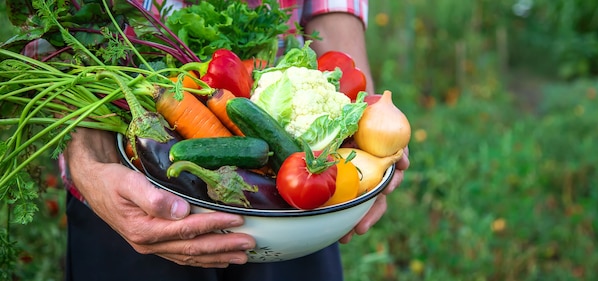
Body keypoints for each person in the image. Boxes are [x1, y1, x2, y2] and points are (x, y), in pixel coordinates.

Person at [59, 0, 410, 280]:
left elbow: (334, 15)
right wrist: (89, 166)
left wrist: (374, 126)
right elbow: (63, 38)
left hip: (303, 212)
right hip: (129, 191)